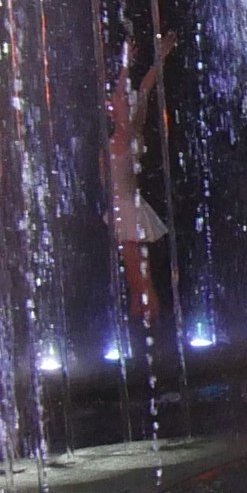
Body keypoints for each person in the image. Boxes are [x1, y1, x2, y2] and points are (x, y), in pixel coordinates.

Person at [100, 27, 177, 327]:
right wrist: (152, 62)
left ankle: (149, 331)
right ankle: (146, 329)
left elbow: (137, 91)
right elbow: (141, 90)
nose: (117, 97)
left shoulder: (127, 135)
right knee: (137, 279)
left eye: (117, 99)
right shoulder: (126, 134)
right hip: (125, 207)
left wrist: (126, 66)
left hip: (127, 211)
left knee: (138, 281)